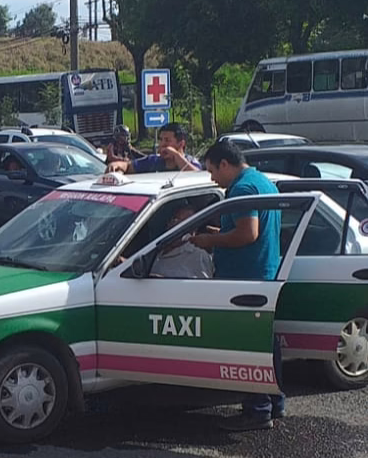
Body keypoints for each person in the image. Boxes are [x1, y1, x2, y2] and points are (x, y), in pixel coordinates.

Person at [191, 140, 283, 431]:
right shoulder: (263, 182)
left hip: (244, 278)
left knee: (246, 346)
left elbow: (248, 234)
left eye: (212, 171)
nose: (212, 179)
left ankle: (257, 410)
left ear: (225, 164)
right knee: (267, 344)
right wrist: (215, 233)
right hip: (263, 273)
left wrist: (210, 241)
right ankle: (275, 400)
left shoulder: (243, 189)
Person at [107, 123, 201, 174]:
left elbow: (197, 177)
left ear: (181, 144)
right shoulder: (153, 161)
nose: (162, 144)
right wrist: (117, 165)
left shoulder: (191, 162)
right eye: (161, 140)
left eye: (167, 140)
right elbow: (128, 166)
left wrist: (176, 155)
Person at [150, 206, 214, 279]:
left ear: (194, 230)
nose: (178, 226)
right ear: (169, 223)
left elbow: (202, 288)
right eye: (175, 220)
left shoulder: (198, 255)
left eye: (185, 223)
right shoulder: (153, 248)